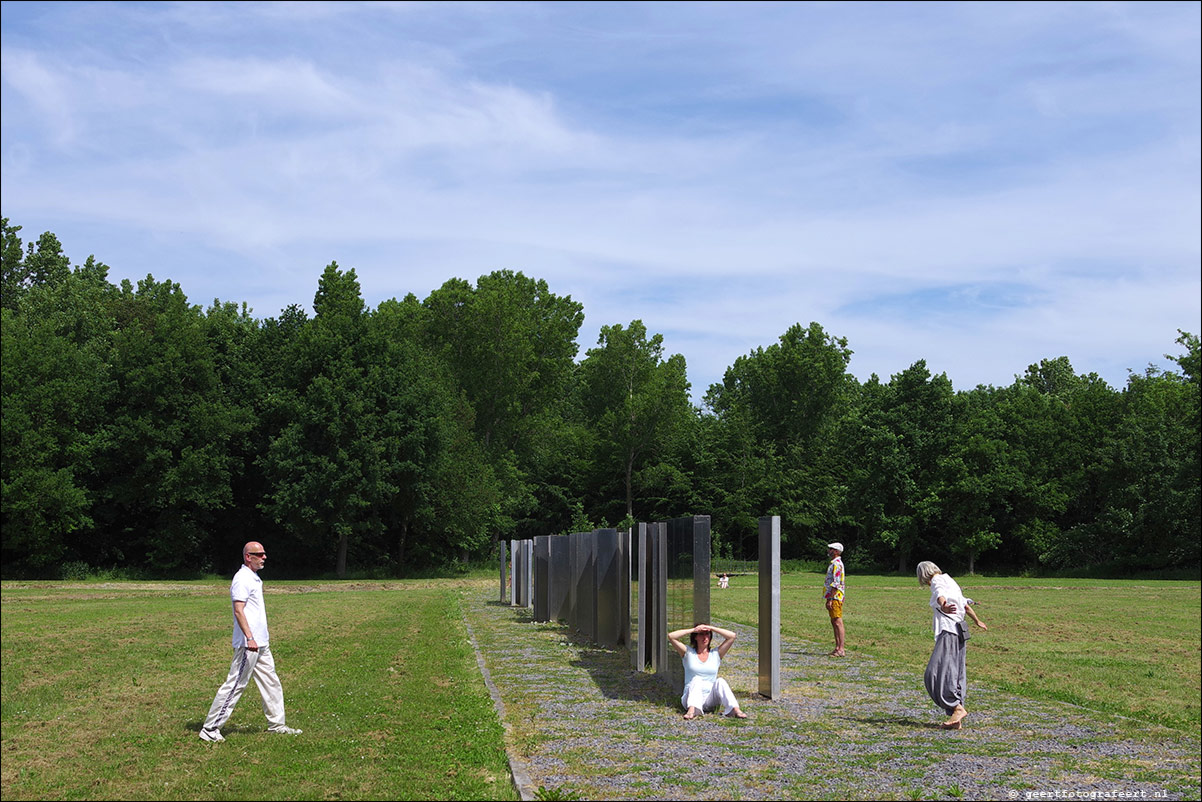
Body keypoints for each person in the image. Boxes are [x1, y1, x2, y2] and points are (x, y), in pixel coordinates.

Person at [199, 542, 302, 742]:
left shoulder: (254, 578)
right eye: (260, 554)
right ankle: (210, 728)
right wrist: (250, 638)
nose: (264, 557)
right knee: (236, 683)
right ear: (248, 557)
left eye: (264, 554)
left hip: (261, 643)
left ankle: (277, 724)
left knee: (271, 682)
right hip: (249, 644)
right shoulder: (242, 579)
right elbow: (239, 610)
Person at [916, 560, 988, 729]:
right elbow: (964, 604)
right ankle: (956, 717)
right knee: (955, 672)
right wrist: (977, 621)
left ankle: (956, 707)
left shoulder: (936, 581)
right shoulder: (950, 580)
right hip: (960, 630)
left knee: (934, 673)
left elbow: (940, 594)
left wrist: (943, 605)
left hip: (949, 630)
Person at [667, 623, 748, 720]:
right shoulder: (688, 653)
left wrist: (711, 628)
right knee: (696, 679)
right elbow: (671, 636)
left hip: (710, 698)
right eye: (701, 634)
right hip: (690, 697)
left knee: (720, 681)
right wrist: (693, 630)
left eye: (707, 634)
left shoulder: (716, 654)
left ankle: (734, 709)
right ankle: (692, 710)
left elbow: (732, 636)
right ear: (695, 637)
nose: (705, 637)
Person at [824, 542, 846, 656]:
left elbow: (836, 583)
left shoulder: (837, 564)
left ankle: (841, 649)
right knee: (834, 621)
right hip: (834, 596)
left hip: (835, 596)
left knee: (837, 621)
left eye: (831, 549)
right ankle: (837, 647)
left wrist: (831, 598)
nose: (829, 551)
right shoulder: (834, 564)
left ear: (836, 551)